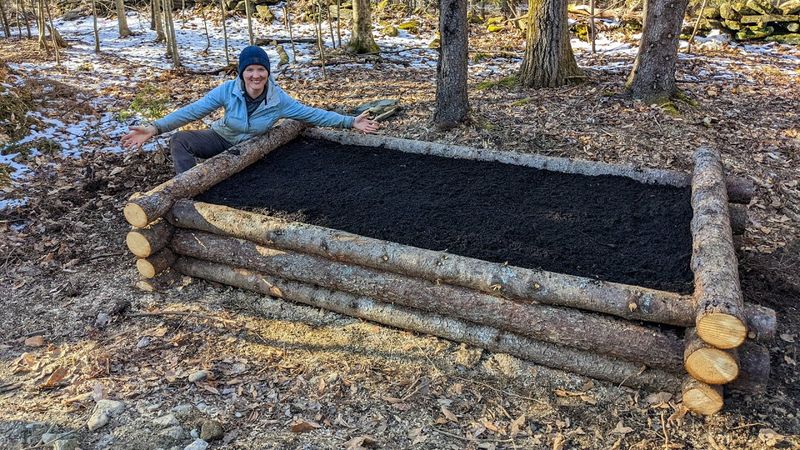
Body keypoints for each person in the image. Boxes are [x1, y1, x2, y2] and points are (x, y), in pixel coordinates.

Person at [121, 45, 380, 173]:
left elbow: (312, 114)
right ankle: (187, 188)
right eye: (250, 70)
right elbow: (193, 110)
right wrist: (154, 128)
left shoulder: (279, 100)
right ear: (242, 72)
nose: (256, 75)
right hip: (222, 137)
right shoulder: (227, 90)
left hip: (251, 148)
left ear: (267, 72)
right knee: (181, 140)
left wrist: (349, 121)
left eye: (261, 70)